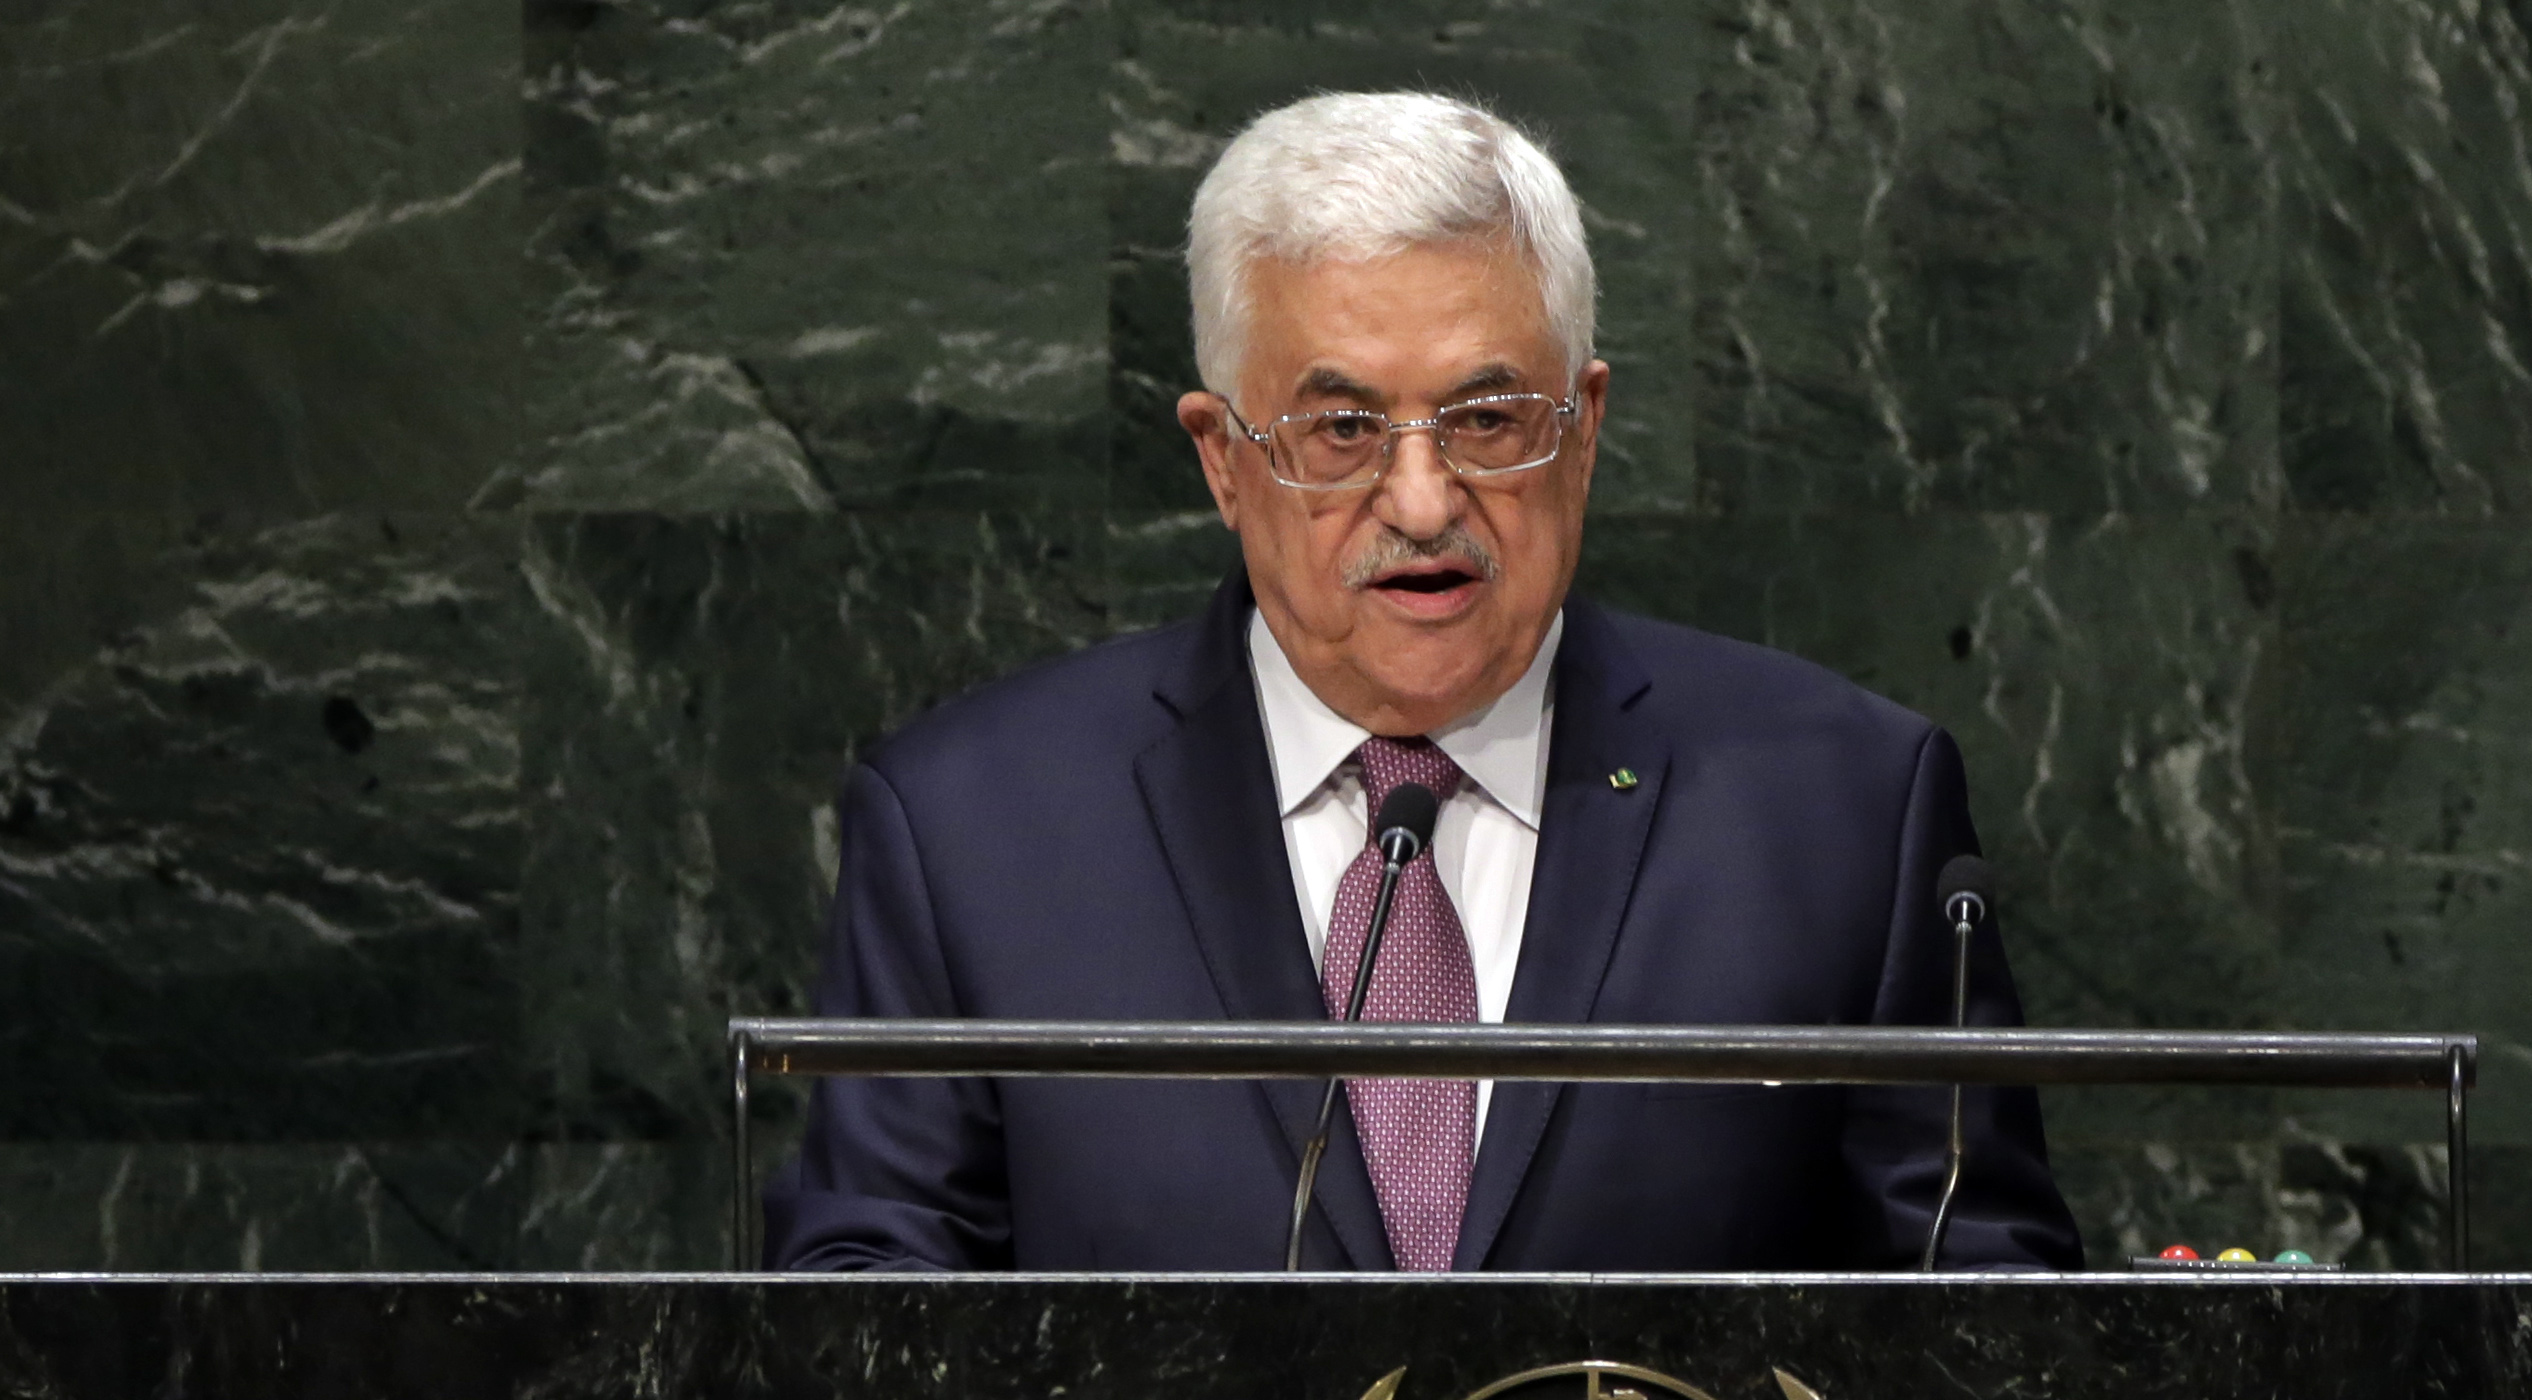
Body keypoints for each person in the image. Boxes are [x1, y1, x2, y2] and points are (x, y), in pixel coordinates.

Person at [765, 90, 2082, 1273]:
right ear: (1223, 460)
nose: (1420, 497)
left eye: (1489, 421)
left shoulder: (1840, 807)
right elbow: (870, 1343)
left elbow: (1988, 1334)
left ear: (1587, 429)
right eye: (1341, 431)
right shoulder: (970, 829)